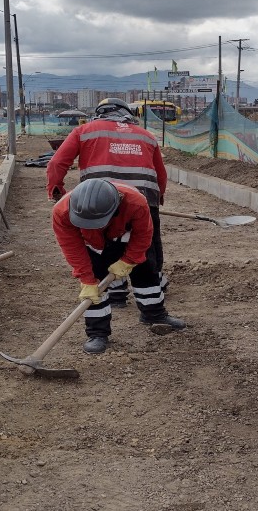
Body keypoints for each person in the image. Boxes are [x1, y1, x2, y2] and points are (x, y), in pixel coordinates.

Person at [46, 97, 170, 306]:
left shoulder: (85, 131)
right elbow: (161, 173)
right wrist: (158, 198)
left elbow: (57, 163)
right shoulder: (147, 136)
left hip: (96, 202)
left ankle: (116, 294)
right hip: (144, 202)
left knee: (103, 246)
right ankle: (152, 289)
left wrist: (57, 190)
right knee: (147, 247)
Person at [51, 178, 185, 354]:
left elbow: (144, 235)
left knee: (147, 272)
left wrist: (129, 260)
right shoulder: (62, 212)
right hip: (91, 245)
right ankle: (97, 333)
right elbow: (71, 246)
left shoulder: (135, 202)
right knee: (94, 286)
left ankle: (155, 314)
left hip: (126, 237)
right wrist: (86, 277)